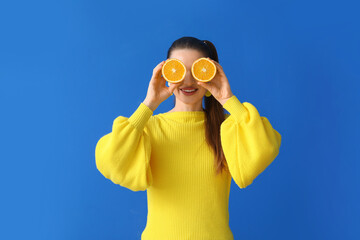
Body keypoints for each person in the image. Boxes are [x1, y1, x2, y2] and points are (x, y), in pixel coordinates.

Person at [95, 36, 282, 240]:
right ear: (166, 73)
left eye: (197, 71)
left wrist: (228, 99)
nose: (188, 80)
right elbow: (109, 160)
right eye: (179, 70)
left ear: (210, 73)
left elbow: (266, 145)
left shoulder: (227, 128)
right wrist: (149, 104)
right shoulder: (148, 128)